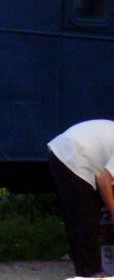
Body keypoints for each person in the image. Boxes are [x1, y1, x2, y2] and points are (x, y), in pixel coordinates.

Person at [47, 119, 114, 278]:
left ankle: (91, 268)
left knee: (88, 216)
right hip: (71, 153)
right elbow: (104, 181)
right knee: (85, 217)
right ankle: (90, 272)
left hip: (78, 149)